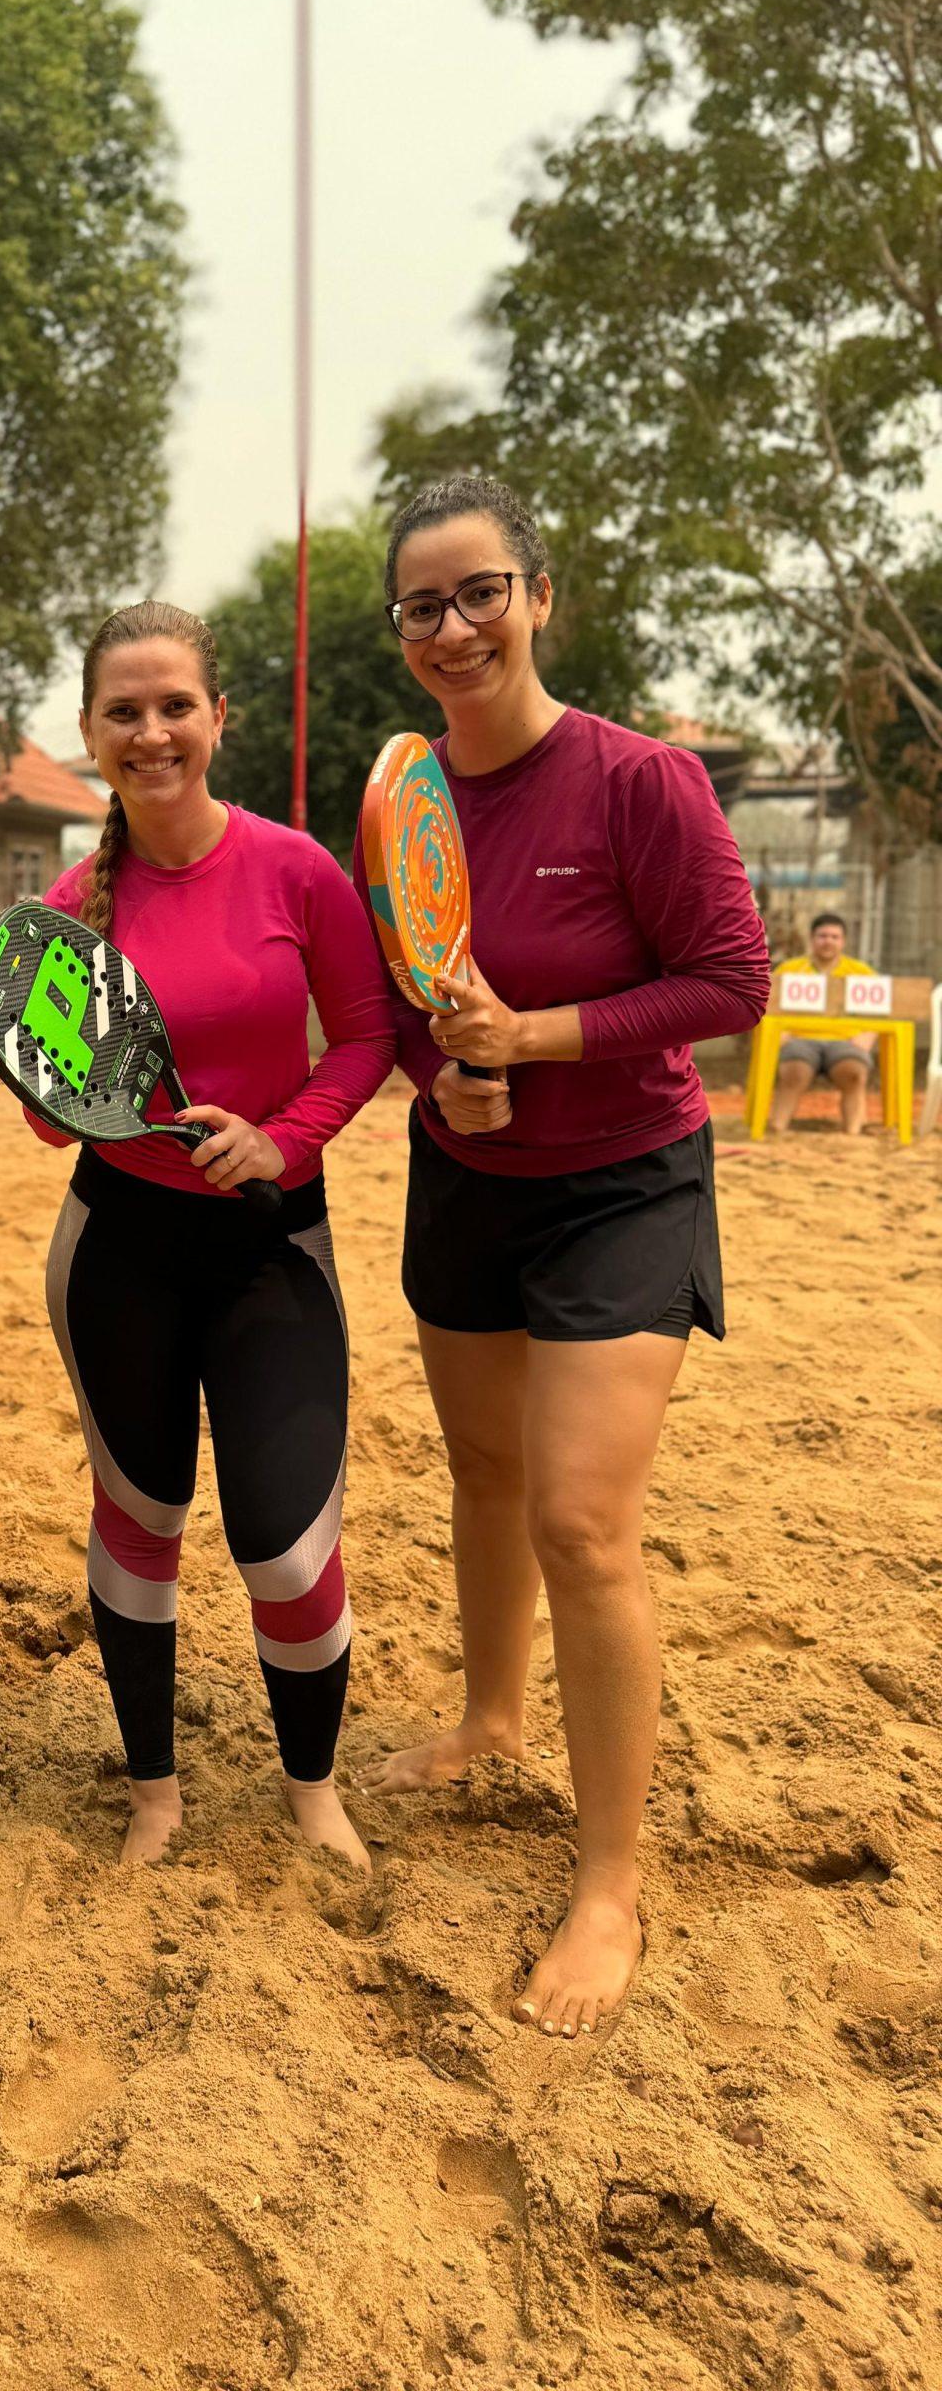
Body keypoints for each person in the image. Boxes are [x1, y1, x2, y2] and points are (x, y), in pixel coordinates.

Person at [355, 476, 772, 2039]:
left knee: (583, 1523)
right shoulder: (405, 799)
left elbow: (731, 980)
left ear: (539, 596)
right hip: (469, 1178)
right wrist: (443, 1079)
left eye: (482, 593)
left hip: (624, 1181)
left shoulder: (640, 780)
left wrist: (535, 1040)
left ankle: (609, 1883)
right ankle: (489, 1715)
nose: (454, 628)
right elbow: (404, 999)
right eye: (423, 606)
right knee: (483, 1474)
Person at [29, 601, 396, 1868]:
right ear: (89, 732)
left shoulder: (295, 869)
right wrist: (55, 1088)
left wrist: (284, 1139)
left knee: (286, 1551)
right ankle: (154, 1792)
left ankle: (312, 1787)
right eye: (123, 712)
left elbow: (368, 1035)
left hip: (272, 1243)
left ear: (218, 717)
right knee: (141, 1522)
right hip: (117, 1249)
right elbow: (49, 1124)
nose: (152, 732)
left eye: (175, 705)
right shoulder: (69, 908)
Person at [768, 912, 878, 1136]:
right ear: (812, 939)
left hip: (845, 1041)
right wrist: (780, 1034)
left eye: (834, 937)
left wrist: (868, 1035)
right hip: (799, 1039)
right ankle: (777, 1129)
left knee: (854, 1072)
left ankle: (853, 1132)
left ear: (843, 941)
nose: (828, 941)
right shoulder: (790, 969)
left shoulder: (861, 972)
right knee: (794, 1071)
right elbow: (766, 1006)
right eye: (822, 936)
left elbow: (880, 1012)